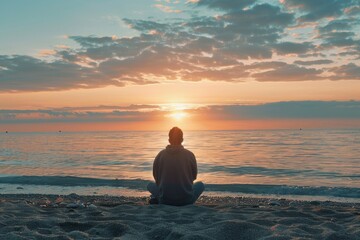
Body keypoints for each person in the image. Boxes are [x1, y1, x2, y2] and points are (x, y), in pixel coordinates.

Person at [147, 127, 205, 206]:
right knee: (200, 185)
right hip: (186, 200)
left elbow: (156, 178)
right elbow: (194, 177)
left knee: (150, 185)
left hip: (165, 200)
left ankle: (156, 198)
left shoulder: (160, 155)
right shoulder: (190, 155)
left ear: (169, 140)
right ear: (182, 140)